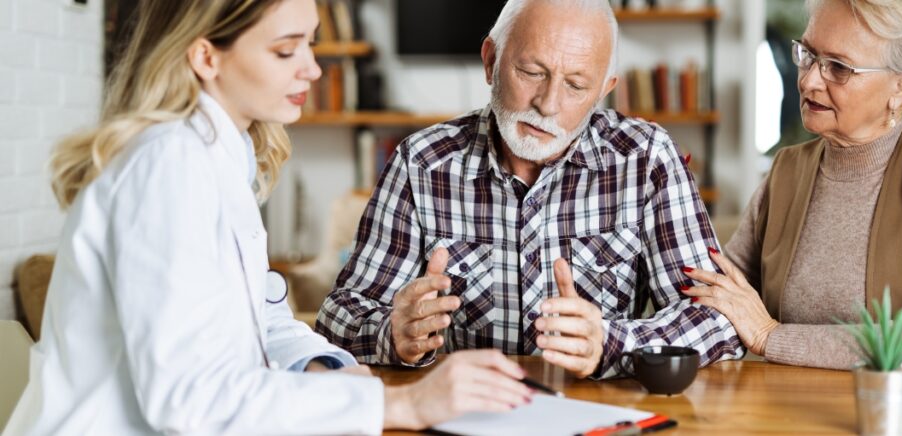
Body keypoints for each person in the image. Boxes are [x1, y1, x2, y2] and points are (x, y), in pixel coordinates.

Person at [3, 1, 533, 434]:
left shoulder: (219, 153)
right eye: (285, 50)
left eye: (310, 42)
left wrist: (319, 367)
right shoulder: (167, 167)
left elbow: (260, 311)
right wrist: (401, 406)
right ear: (206, 56)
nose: (312, 68)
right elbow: (191, 401)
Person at [316, 0, 743, 380]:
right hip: (464, 415)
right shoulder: (422, 162)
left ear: (603, 90)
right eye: (531, 72)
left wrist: (611, 343)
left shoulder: (646, 158)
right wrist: (392, 332)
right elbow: (337, 318)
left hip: (598, 416)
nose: (548, 103)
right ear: (490, 61)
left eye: (576, 85)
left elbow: (718, 319)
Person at [681, 0, 902, 372]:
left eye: (839, 68)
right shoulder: (787, 170)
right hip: (803, 406)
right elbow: (719, 292)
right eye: (808, 54)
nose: (809, 80)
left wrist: (770, 336)